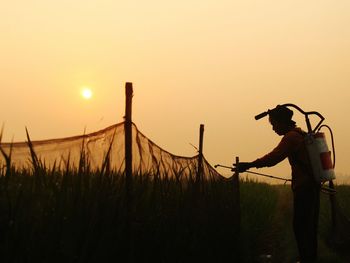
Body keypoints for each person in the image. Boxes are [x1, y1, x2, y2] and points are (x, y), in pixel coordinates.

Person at [234, 105, 320, 263]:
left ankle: (306, 259)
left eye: (274, 124)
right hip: (311, 186)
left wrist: (249, 165)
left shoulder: (291, 138)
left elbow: (274, 157)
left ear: (282, 122)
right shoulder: (300, 134)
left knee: (301, 227)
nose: (273, 128)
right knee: (308, 227)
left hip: (305, 188)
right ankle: (309, 258)